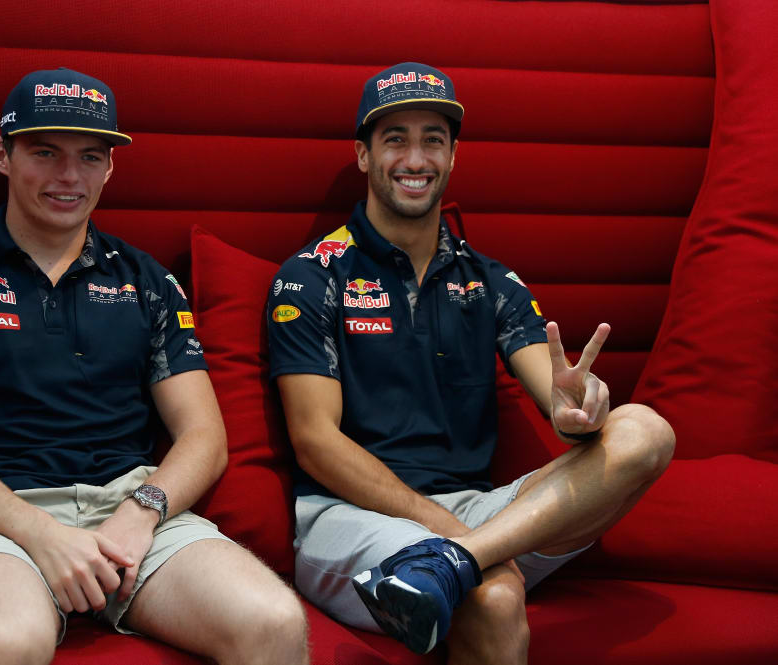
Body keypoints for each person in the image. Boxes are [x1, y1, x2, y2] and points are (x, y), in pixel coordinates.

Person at [0, 67, 308, 665]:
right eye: (45, 152)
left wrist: (142, 512)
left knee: (275, 623)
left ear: (110, 168)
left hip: (133, 508)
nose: (68, 176)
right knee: (8, 643)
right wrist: (41, 534)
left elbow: (205, 437)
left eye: (89, 156)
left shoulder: (150, 283)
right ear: (2, 154)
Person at [266, 62, 675, 663]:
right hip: (347, 516)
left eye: (433, 139)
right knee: (494, 597)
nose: (415, 158)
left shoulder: (492, 281)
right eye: (395, 139)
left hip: (476, 513)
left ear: (453, 156)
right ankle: (459, 560)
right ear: (362, 155)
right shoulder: (311, 275)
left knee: (646, 432)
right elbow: (314, 443)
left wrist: (575, 408)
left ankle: (452, 564)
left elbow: (557, 398)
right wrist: (448, 531)